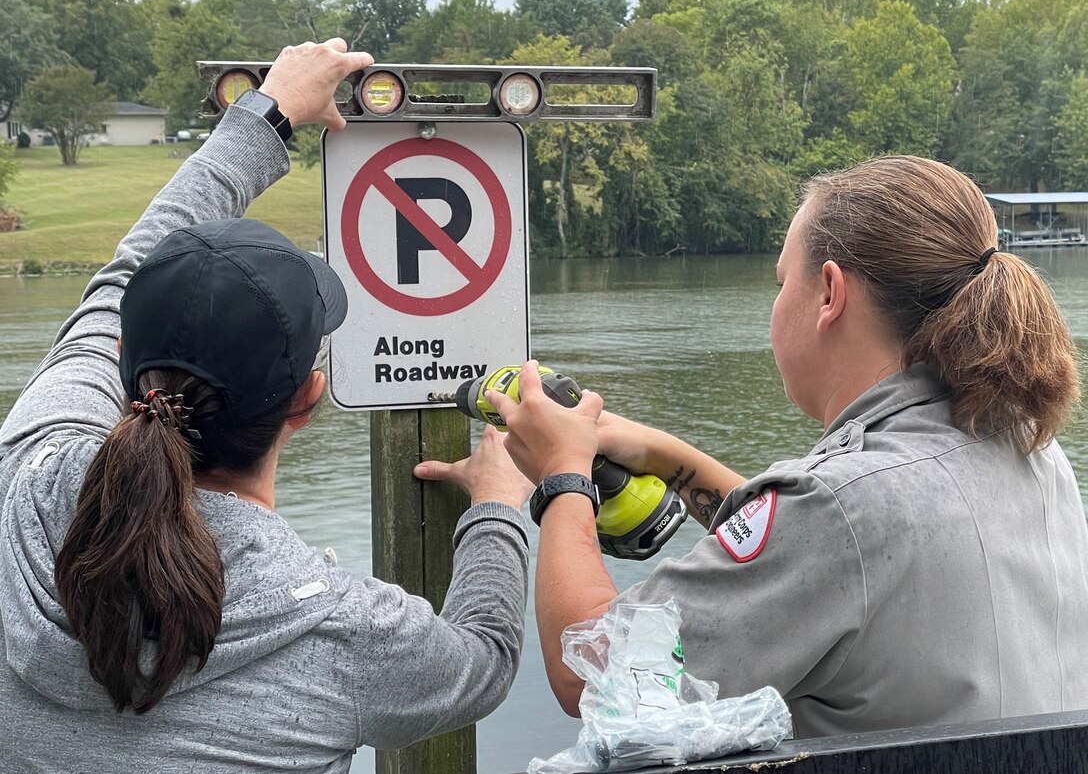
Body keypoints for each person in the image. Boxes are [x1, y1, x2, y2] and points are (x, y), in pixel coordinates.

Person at [417, 155, 1088, 738]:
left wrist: (564, 479)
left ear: (830, 292)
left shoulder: (843, 508)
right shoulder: (1027, 446)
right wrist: (668, 457)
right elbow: (831, 558)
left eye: (779, 280)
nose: (775, 304)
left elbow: (594, 677)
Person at [0, 39, 533, 772]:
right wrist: (500, 507)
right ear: (307, 398)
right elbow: (483, 658)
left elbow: (122, 276)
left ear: (122, 361)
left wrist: (266, 114)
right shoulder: (341, 629)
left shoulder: (26, 479)